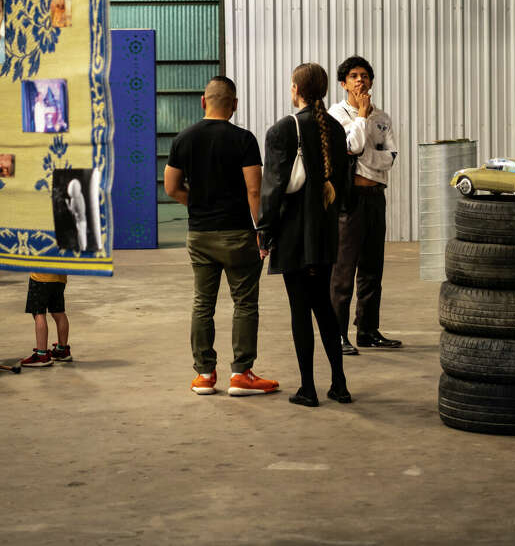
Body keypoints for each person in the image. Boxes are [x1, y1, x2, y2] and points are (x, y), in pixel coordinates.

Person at [164, 76, 278, 397]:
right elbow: (254, 189)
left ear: (203, 101)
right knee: (244, 303)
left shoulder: (183, 139)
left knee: (203, 303)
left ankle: (203, 375)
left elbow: (171, 187)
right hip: (239, 235)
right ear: (235, 105)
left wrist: (198, 203)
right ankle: (241, 374)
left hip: (199, 235)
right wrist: (262, 230)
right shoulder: (244, 140)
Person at [258, 63, 351, 406]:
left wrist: (264, 231)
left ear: (295, 88)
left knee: (300, 311)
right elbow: (342, 186)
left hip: (295, 234)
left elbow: (273, 188)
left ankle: (308, 388)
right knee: (324, 307)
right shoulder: (336, 130)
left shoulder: (284, 129)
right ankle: (339, 384)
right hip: (325, 234)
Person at [328, 56, 401, 354]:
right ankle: (338, 334)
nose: (360, 80)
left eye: (365, 75)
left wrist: (365, 160)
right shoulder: (336, 114)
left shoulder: (383, 118)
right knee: (344, 270)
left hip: (376, 198)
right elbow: (350, 147)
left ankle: (367, 330)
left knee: (373, 267)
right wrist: (361, 116)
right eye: (354, 76)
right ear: (344, 83)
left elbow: (392, 157)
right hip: (350, 200)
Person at [19, 273, 72, 367]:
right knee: (59, 312)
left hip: (40, 277)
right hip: (60, 277)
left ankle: (41, 355)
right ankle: (62, 350)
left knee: (38, 313)